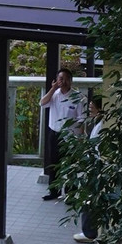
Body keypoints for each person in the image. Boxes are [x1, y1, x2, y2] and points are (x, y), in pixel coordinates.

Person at [38, 67, 85, 200]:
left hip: (71, 136)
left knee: (70, 165)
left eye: (65, 79)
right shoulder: (54, 94)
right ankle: (54, 191)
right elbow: (42, 103)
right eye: (60, 79)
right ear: (57, 80)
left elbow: (82, 119)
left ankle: (70, 194)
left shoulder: (78, 97)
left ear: (71, 81)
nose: (62, 81)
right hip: (55, 133)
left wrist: (79, 137)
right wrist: (52, 89)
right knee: (53, 163)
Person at [73, 97, 104, 244]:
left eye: (92, 108)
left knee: (88, 199)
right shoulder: (99, 124)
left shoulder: (102, 126)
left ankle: (89, 233)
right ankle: (91, 231)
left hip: (97, 167)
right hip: (95, 166)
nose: (90, 111)